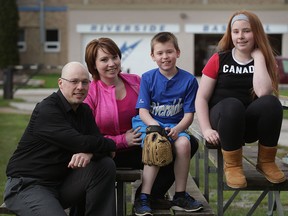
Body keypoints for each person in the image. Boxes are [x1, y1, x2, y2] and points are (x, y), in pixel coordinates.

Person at [83, 37, 199, 209]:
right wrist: (122, 140)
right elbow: (88, 135)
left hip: (141, 143)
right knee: (157, 146)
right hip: (112, 151)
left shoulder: (135, 81)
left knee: (188, 143)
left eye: (114, 57)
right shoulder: (91, 93)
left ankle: (150, 196)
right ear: (93, 65)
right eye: (104, 59)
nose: (112, 63)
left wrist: (167, 127)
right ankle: (146, 197)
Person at [4, 62, 117, 216]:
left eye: (85, 82)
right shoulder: (47, 110)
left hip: (61, 184)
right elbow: (81, 142)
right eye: (74, 81)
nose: (80, 87)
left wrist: (90, 154)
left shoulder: (84, 111)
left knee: (104, 165)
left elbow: (99, 145)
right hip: (28, 185)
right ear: (60, 83)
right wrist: (110, 143)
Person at [195, 10, 287, 189]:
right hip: (223, 121)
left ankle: (266, 162)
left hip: (248, 126)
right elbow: (201, 98)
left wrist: (259, 57)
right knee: (232, 104)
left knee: (272, 102)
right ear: (230, 34)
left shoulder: (265, 61)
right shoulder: (219, 59)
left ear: (256, 33)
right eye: (235, 32)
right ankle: (233, 166)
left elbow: (263, 93)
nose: (240, 36)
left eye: (246, 31)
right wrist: (206, 129)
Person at [132, 32, 203, 215]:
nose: (165, 57)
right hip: (150, 123)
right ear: (153, 56)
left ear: (178, 53)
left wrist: (178, 129)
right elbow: (143, 111)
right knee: (155, 143)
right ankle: (144, 197)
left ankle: (179, 195)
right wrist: (157, 128)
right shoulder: (148, 78)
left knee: (185, 144)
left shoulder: (188, 80)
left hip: (174, 125)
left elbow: (188, 116)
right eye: (160, 53)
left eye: (169, 52)